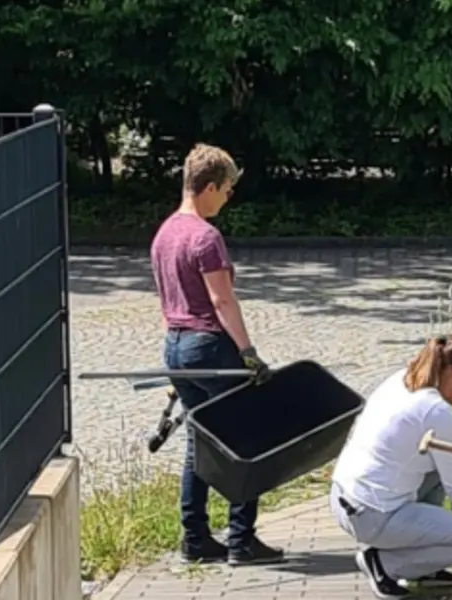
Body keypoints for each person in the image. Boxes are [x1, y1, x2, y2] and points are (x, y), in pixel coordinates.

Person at [151, 143, 284, 566]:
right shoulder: (205, 238)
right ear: (209, 187)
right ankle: (241, 540)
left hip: (176, 347)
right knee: (247, 437)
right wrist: (248, 353)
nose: (228, 198)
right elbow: (222, 301)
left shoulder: (165, 232)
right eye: (227, 189)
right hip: (209, 345)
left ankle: (195, 538)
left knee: (200, 440)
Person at [329, 334, 452, 598]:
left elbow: (450, 473)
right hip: (373, 515)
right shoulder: (436, 410)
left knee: (445, 471)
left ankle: (423, 568)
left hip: (344, 496)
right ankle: (385, 565)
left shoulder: (403, 379)